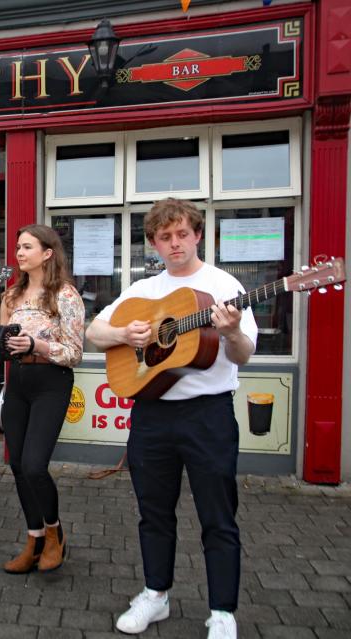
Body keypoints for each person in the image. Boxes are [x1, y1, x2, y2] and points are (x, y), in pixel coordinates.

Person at [85, 198, 257, 639]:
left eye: (182, 234)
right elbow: (94, 331)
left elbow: (243, 355)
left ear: (198, 234)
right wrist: (124, 333)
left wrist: (232, 330)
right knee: (153, 512)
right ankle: (155, 595)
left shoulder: (224, 286)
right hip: (152, 415)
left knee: (217, 514)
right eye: (165, 237)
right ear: (154, 243)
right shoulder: (143, 291)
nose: (175, 243)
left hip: (208, 415)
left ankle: (222, 611)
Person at [0, 224, 84, 574]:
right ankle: (34, 539)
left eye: (27, 247)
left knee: (35, 465)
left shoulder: (65, 295)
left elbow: (75, 352)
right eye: (18, 247)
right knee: (17, 464)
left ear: (47, 253)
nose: (19, 253)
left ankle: (54, 534)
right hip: (17, 381)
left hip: (51, 381)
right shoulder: (10, 296)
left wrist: (37, 345)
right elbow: (6, 346)